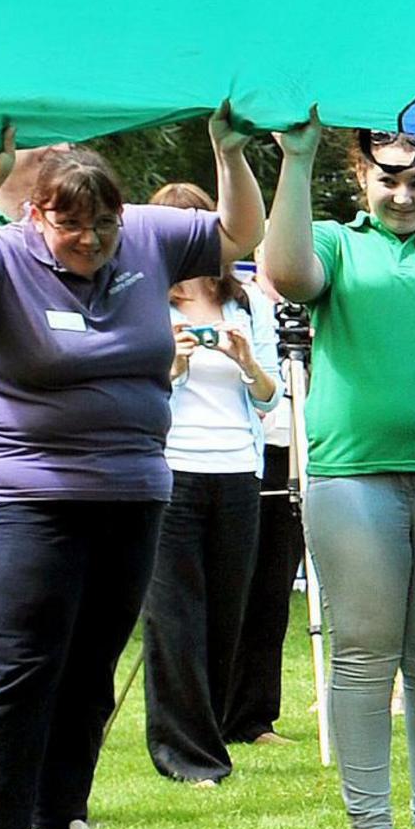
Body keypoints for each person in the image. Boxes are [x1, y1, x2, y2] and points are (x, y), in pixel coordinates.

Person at [0, 125, 256, 829]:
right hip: (22, 492)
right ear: (37, 217)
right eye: (71, 225)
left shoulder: (149, 236)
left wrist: (229, 154)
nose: (90, 240)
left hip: (130, 490)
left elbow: (239, 233)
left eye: (103, 224)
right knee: (13, 664)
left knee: (90, 667)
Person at [256, 126, 415, 829]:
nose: (403, 196)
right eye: (389, 182)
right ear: (362, 180)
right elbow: (289, 273)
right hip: (352, 475)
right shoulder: (336, 242)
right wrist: (295, 160)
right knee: (364, 654)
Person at [142, 250, 276, 785]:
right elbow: (139, 393)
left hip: (239, 468)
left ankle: (209, 731)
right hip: (173, 467)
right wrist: (175, 366)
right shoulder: (148, 302)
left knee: (227, 611)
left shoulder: (245, 304)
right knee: (174, 614)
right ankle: (185, 752)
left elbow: (271, 397)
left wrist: (246, 361)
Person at [222, 253, 308, 747]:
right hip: (244, 453)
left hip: (295, 448)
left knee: (274, 589)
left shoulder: (314, 305)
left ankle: (255, 716)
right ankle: (212, 711)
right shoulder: (242, 301)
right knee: (232, 586)